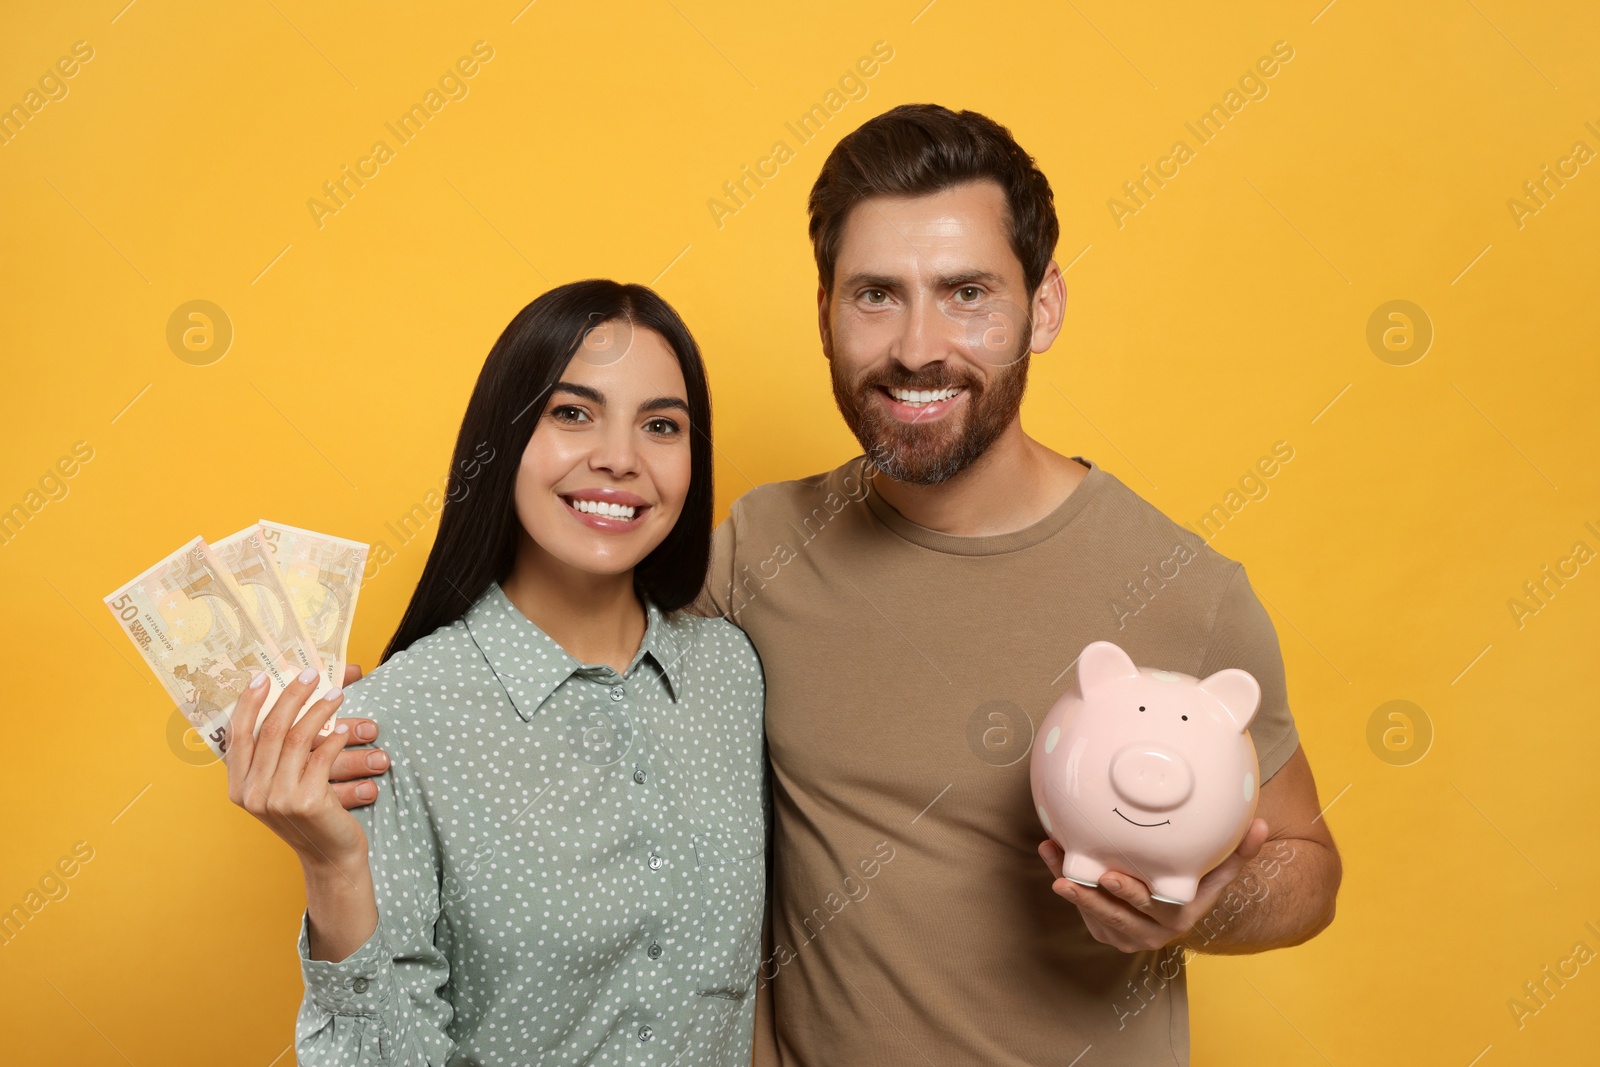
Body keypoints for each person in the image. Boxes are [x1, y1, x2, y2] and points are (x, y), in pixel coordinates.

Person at [331, 106, 1344, 1065]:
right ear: (824, 315)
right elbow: (562, 657)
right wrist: (362, 727)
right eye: (875, 295)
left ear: (1043, 307)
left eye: (966, 292)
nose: (915, 348)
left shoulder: (1184, 588)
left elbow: (1305, 865)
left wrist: (1205, 903)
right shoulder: (753, 554)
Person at [224, 280, 767, 1065]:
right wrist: (333, 865)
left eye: (661, 425)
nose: (619, 458)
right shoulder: (393, 722)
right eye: (572, 412)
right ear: (504, 437)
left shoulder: (731, 675)